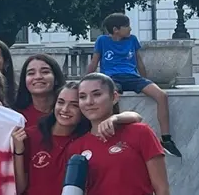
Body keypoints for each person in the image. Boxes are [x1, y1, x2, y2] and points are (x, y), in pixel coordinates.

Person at [12, 81, 145, 195]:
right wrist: (19, 151)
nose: (65, 109)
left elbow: (136, 117)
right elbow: (19, 188)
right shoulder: (31, 135)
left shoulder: (85, 139)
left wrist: (115, 118)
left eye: (74, 105)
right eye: (61, 102)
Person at [86, 13, 180, 157]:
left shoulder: (132, 40)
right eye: (127, 26)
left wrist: (145, 81)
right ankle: (108, 133)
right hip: (112, 78)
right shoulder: (102, 41)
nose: (130, 29)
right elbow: (94, 62)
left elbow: (139, 62)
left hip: (132, 77)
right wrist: (86, 81)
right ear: (116, 29)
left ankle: (166, 139)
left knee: (161, 95)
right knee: (110, 98)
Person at [71, 73, 170, 195]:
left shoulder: (140, 133)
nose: (89, 102)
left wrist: (117, 119)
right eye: (82, 97)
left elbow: (162, 189)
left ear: (114, 97)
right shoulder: (77, 146)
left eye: (97, 94)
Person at [13, 54, 64, 128]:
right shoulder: (16, 115)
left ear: (56, 78)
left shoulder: (67, 112)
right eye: (31, 73)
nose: (38, 77)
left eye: (45, 72)